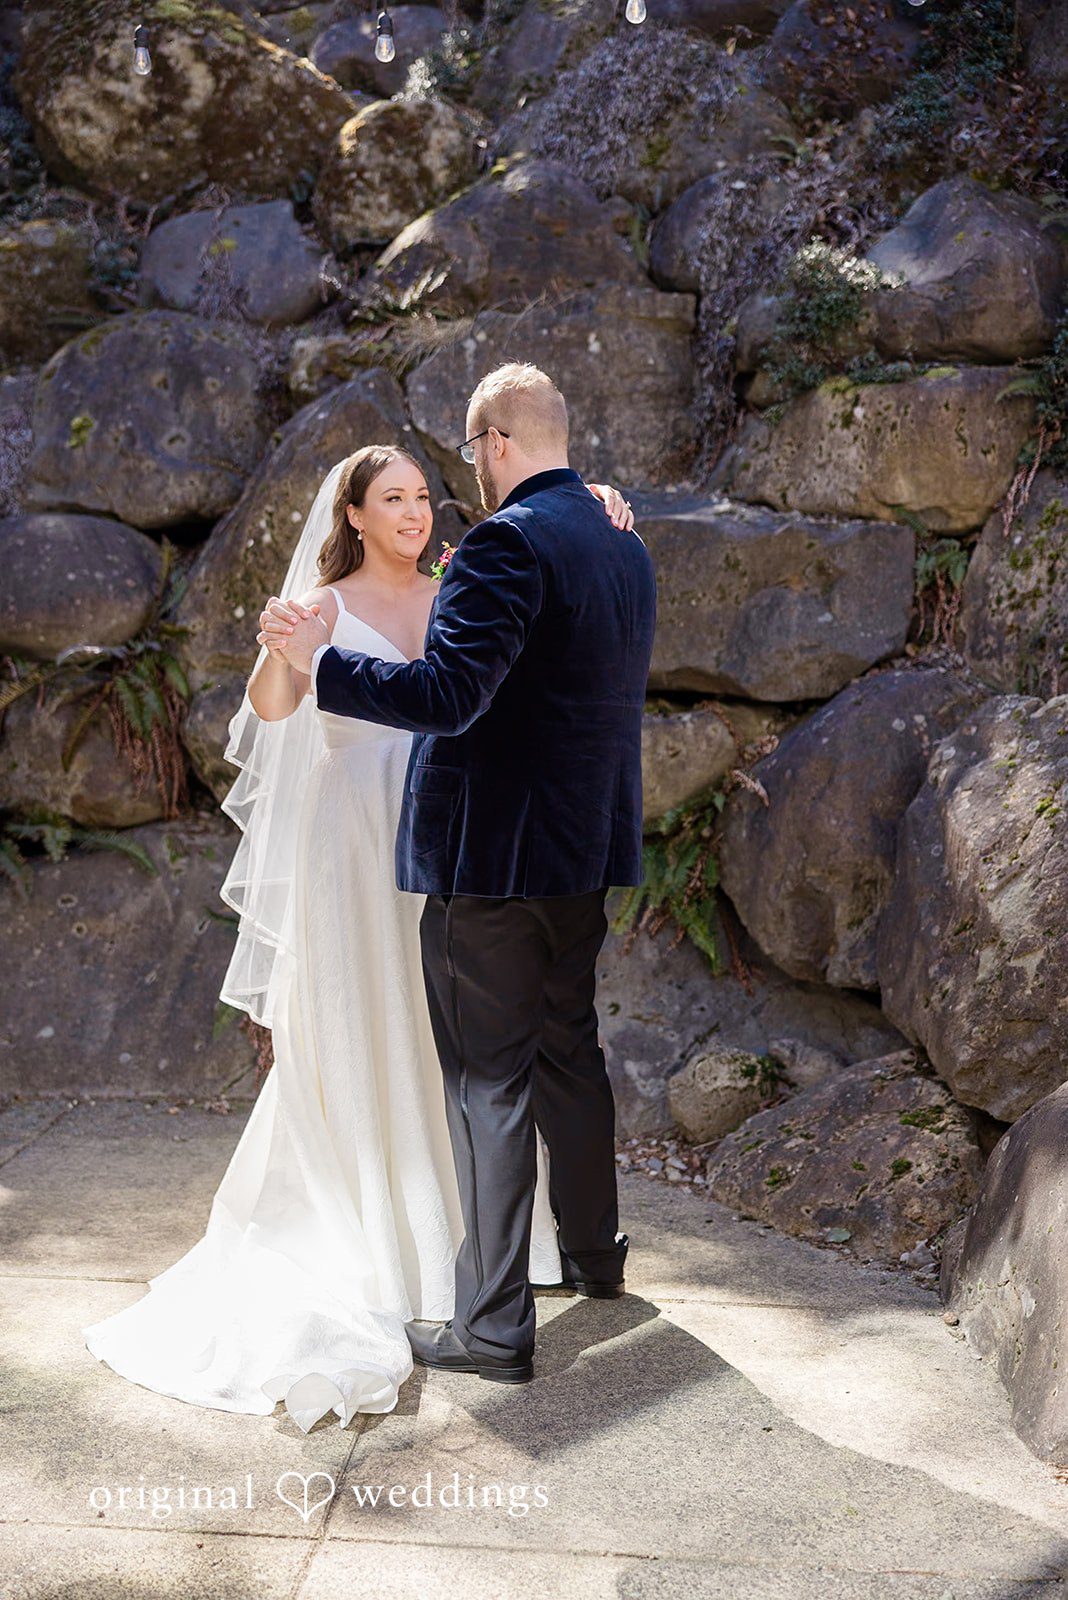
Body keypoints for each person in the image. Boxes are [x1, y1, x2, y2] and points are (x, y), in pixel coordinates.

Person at [81, 439, 636, 1431]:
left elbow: (531, 587)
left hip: (451, 828)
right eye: (395, 500)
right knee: (366, 1020)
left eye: (425, 495)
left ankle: (468, 1251)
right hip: (355, 836)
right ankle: (376, 1235)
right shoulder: (326, 605)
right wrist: (280, 646)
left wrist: (599, 502)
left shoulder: (465, 578)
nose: (417, 514)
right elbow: (270, 707)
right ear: (354, 516)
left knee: (455, 1043)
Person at [267, 363, 657, 1385]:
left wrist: (325, 668)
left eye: (468, 458)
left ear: (493, 443)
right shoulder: (623, 542)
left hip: (493, 859)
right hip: (585, 849)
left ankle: (491, 1326)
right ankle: (593, 1256)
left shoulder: (504, 543)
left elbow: (446, 696)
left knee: (491, 1080)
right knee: (571, 1047)